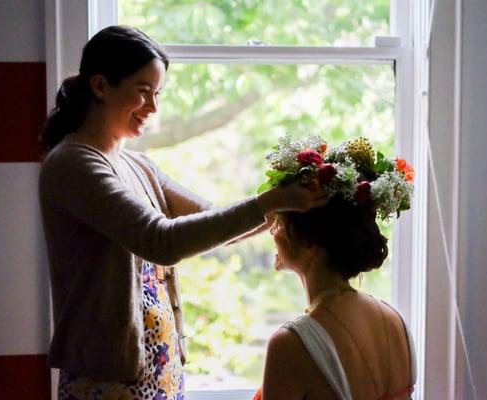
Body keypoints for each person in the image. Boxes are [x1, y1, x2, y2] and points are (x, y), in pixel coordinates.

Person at [38, 25, 329, 400]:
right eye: (143, 93)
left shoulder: (139, 166)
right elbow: (161, 240)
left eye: (157, 94)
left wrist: (287, 199)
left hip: (159, 368)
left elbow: (216, 218)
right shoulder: (73, 164)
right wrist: (269, 203)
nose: (153, 108)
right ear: (100, 86)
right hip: (108, 379)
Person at [254, 137, 416, 399]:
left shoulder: (290, 345)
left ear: (310, 242)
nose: (272, 231)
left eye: (280, 222)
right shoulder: (394, 321)